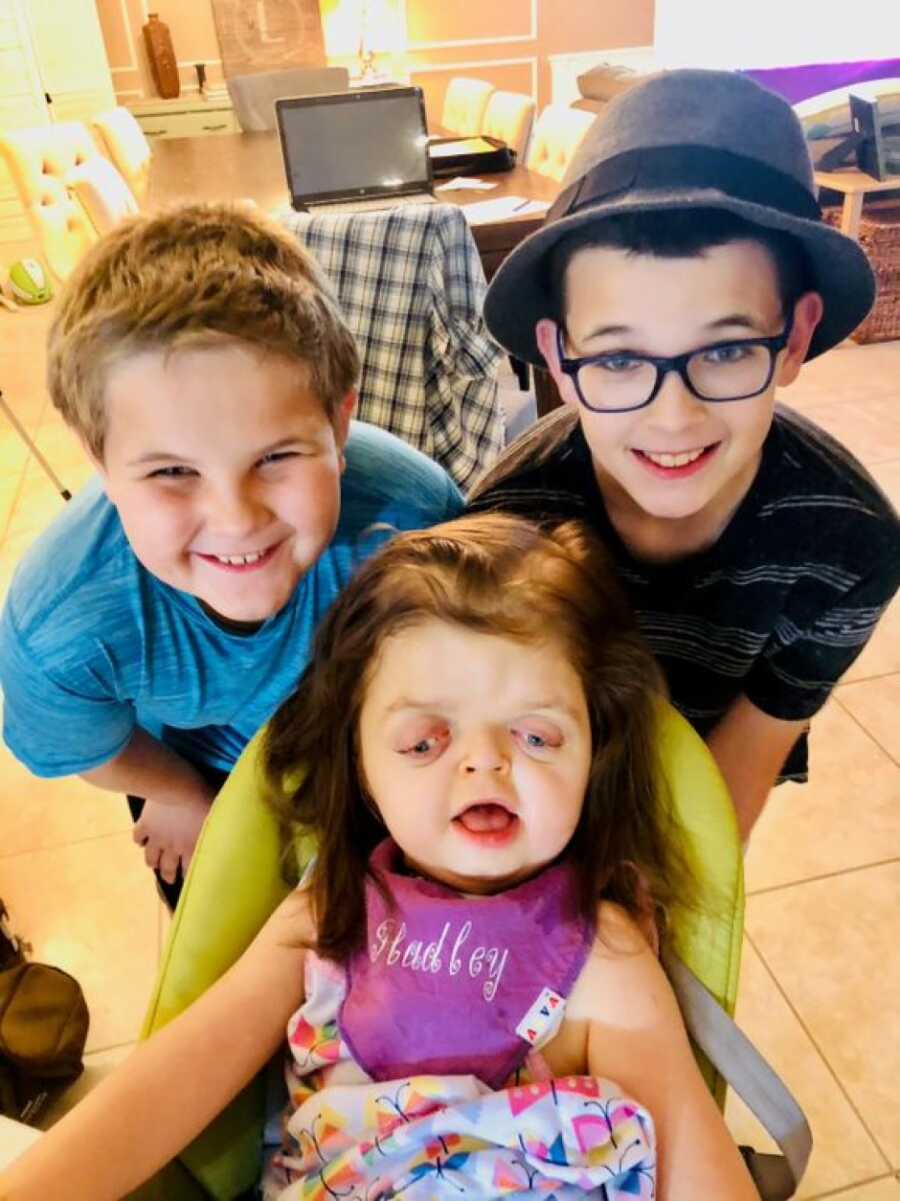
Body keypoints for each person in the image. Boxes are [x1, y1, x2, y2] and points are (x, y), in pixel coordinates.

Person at [0, 514, 759, 1201]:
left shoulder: (605, 956)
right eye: (427, 740)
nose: (485, 764)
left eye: (537, 735)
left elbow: (696, 1164)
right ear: (359, 762)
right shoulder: (325, 915)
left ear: (595, 752)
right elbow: (161, 1091)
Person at [469, 69, 900, 839]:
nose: (674, 417)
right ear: (558, 358)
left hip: (705, 770)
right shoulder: (505, 524)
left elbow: (744, 764)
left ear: (796, 336)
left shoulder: (850, 542)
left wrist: (669, 911)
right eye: (620, 360)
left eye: (728, 349)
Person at [0, 203, 462, 907]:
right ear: (99, 457)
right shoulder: (60, 625)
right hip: (190, 768)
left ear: (340, 423)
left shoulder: (417, 521)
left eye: (275, 456)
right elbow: (90, 742)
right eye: (171, 472)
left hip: (368, 754)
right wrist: (177, 792)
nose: (237, 519)